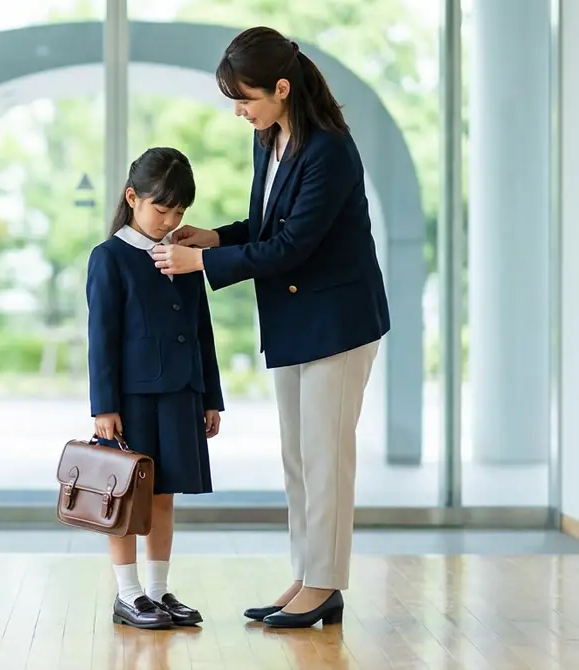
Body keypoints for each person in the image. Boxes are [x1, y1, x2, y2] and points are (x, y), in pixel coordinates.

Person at [150, 26, 391, 629]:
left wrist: (201, 262)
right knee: (298, 459)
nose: (238, 110)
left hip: (337, 323)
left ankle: (326, 584)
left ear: (282, 88)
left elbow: (293, 245)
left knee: (326, 458)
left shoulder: (330, 150)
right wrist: (215, 237)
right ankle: (307, 575)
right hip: (292, 320)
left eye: (245, 98)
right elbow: (267, 224)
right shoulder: (269, 138)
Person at [86, 147, 225, 630]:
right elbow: (101, 338)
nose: (170, 221)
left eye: (179, 212)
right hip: (132, 401)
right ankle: (128, 594)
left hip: (182, 394)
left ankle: (158, 591)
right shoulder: (109, 258)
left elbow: (202, 330)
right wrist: (104, 407)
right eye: (161, 209)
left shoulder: (184, 258)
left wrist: (210, 397)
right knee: (127, 497)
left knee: (165, 494)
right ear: (133, 198)